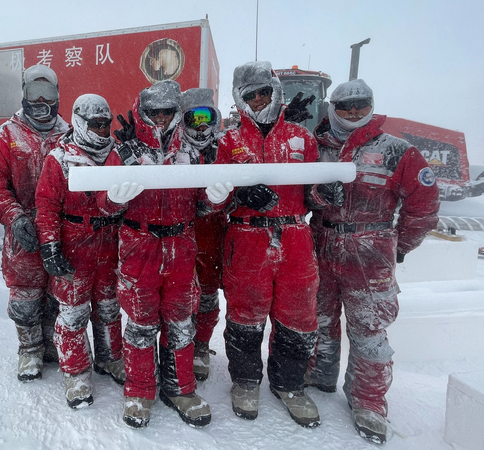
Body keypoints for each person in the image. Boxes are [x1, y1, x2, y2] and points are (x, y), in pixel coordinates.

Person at [305, 79, 440, 444]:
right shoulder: (317, 146)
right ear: (332, 107)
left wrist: (399, 245)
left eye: (360, 105)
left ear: (371, 105)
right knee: (319, 318)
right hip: (322, 242)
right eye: (345, 106)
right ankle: (320, 375)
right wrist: (317, 194)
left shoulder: (398, 150)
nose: (352, 112)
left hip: (371, 252)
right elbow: (298, 195)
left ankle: (368, 402)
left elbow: (424, 204)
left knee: (369, 330)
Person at [98, 80, 232, 429]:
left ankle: (180, 388)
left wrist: (214, 200)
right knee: (141, 323)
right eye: (153, 111)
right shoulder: (124, 150)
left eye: (167, 111)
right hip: (139, 246)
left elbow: (201, 203)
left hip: (181, 246)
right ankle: (140, 390)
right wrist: (113, 197)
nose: (160, 118)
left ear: (177, 112)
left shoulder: (190, 151)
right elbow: (103, 204)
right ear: (141, 111)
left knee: (180, 321)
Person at [217, 61, 342, 427]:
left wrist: (325, 192)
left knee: (299, 314)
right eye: (250, 95)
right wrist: (240, 194)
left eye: (264, 92)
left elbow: (313, 193)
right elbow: (214, 199)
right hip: (246, 237)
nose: (258, 100)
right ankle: (244, 381)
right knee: (246, 311)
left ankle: (289, 385)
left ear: (275, 92)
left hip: (295, 237)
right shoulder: (229, 140)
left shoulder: (301, 138)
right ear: (240, 101)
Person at [34, 94, 126, 409]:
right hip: (75, 243)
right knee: (73, 313)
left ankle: (110, 358)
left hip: (109, 242)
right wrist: (50, 244)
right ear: (80, 123)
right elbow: (46, 205)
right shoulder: (60, 158)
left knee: (109, 307)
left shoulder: (117, 154)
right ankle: (75, 373)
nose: (102, 131)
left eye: (105, 124)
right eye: (95, 124)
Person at [0, 64, 69, 382]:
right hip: (24, 231)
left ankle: (51, 345)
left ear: (58, 95)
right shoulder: (6, 134)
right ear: (23, 94)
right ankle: (29, 351)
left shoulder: (70, 135)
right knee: (26, 296)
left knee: (57, 293)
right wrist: (14, 218)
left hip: (61, 230)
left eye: (48, 92)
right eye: (34, 91)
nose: (41, 99)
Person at [178, 88, 225, 382]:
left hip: (213, 233)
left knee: (207, 295)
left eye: (206, 117)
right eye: (193, 118)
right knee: (180, 296)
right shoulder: (173, 149)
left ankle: (201, 346)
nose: (201, 126)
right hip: (181, 231)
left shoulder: (225, 148)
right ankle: (178, 346)